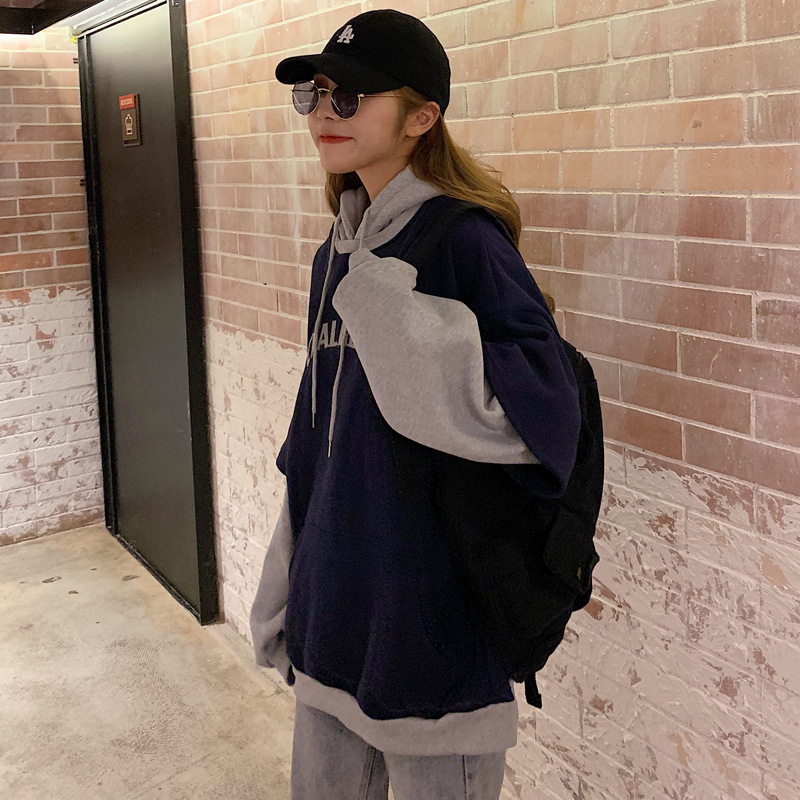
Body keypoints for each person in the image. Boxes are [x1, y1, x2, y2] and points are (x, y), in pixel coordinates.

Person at [249, 9, 581, 799]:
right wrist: (288, 581)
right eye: (315, 93)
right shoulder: (337, 251)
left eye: (351, 96)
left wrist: (389, 303)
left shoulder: (464, 241)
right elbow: (318, 441)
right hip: (335, 625)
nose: (324, 112)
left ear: (421, 117)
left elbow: (541, 422)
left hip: (434, 642)